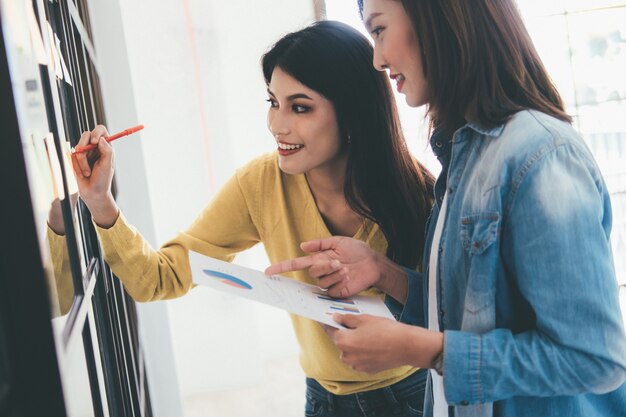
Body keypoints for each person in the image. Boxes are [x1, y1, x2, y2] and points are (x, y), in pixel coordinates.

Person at [265, 1, 626, 416]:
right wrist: (385, 274)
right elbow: (469, 314)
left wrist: (425, 350)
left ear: (436, 17)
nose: (378, 59)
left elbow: (594, 359)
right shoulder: (465, 151)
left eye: (379, 31)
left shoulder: (541, 156)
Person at [63, 20, 435, 417]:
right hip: (324, 400)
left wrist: (384, 274)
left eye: (300, 107)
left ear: (353, 112)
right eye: (273, 102)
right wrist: (100, 202)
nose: (277, 124)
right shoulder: (261, 183)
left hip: (413, 395)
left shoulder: (420, 193)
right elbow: (157, 278)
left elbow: (456, 318)